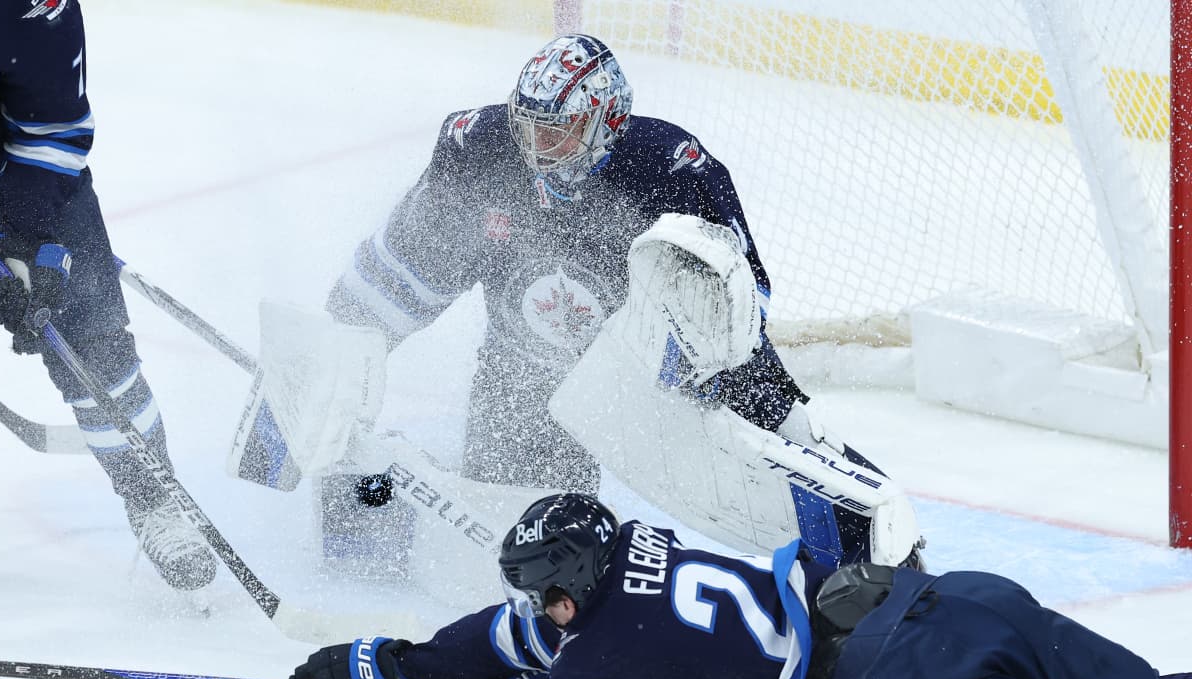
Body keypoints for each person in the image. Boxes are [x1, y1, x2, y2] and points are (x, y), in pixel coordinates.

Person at [319, 32, 903, 569]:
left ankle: (869, 543)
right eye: (528, 127)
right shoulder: (481, 149)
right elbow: (404, 267)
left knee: (777, 450)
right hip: (524, 371)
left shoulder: (671, 170)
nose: (536, 148)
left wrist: (702, 381)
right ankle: (378, 493)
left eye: (557, 131)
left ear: (606, 122)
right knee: (531, 554)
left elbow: (739, 310)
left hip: (660, 372)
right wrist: (332, 351)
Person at [286, 493, 1192, 679]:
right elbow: (512, 633)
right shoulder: (636, 553)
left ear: (572, 578)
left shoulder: (610, 652)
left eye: (544, 592)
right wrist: (395, 666)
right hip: (952, 600)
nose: (535, 609)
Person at [0, 1, 214, 590]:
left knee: (90, 338)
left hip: (12, 175)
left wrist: (25, 237)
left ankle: (153, 497)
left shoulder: (28, 6)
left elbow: (52, 129)